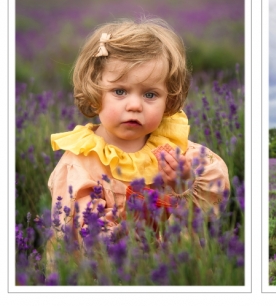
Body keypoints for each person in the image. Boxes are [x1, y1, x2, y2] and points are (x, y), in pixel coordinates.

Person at [47, 18, 230, 241]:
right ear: (96, 93)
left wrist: (185, 184)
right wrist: (127, 239)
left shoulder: (172, 150)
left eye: (150, 94)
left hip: (171, 268)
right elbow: (81, 227)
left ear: (168, 101)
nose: (134, 105)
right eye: (120, 91)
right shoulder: (82, 162)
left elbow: (214, 194)